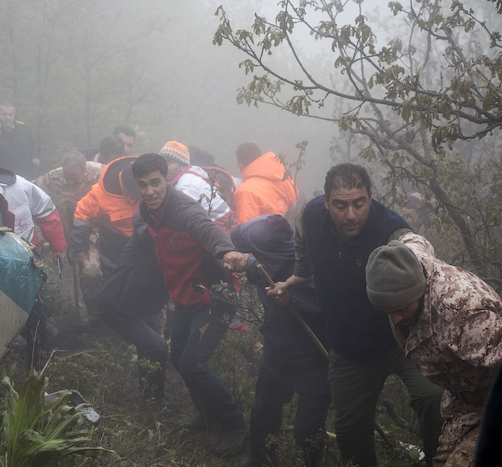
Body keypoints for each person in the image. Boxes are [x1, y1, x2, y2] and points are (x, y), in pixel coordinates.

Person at [269, 163, 444, 467]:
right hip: (349, 350)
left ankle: (440, 460)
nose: (351, 215)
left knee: (433, 398)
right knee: (350, 436)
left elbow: (420, 260)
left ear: (371, 198)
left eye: (359, 203)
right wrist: (299, 276)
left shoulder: (391, 230)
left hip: (403, 341)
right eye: (340, 205)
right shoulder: (311, 215)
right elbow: (301, 239)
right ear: (325, 201)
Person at [131, 153, 248, 456]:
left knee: (194, 363)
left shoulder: (181, 209)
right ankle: (206, 415)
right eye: (142, 185)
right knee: (179, 358)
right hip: (186, 298)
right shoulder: (148, 212)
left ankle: (234, 424)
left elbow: (207, 229)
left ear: (166, 180)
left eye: (155, 183)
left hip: (214, 298)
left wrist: (227, 250)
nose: (150, 191)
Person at [366, 234, 502, 467]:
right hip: (462, 406)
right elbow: (413, 239)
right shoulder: (409, 261)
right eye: (387, 311)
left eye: (401, 309)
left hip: (493, 403)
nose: (396, 319)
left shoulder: (465, 315)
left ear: (419, 291)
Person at [231, 215, 330, 467]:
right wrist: (247, 261)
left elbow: (326, 306)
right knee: (264, 408)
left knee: (308, 429)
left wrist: (293, 299)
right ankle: (260, 458)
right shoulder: (263, 260)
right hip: (277, 351)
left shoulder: (308, 267)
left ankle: (314, 462)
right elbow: (243, 245)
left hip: (314, 359)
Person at [0, 167, 67, 356]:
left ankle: (39, 343)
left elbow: (46, 212)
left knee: (31, 302)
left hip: (27, 259)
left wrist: (58, 246)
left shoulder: (20, 189)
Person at [98, 212, 170, 405]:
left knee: (149, 345)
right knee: (158, 346)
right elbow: (142, 231)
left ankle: (151, 392)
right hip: (116, 305)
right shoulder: (144, 237)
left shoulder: (171, 244)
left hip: (139, 304)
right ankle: (153, 401)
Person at [36, 151, 104, 321]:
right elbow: (31, 190)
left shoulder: (100, 172)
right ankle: (94, 313)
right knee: (90, 273)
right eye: (68, 177)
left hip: (104, 228)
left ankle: (113, 310)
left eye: (75, 178)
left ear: (85, 168)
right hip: (76, 231)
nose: (71, 182)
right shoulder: (55, 176)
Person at [71, 156, 139, 280]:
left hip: (142, 246)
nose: (130, 197)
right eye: (127, 191)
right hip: (111, 245)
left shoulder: (152, 184)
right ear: (121, 182)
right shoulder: (103, 192)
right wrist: (80, 247)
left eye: (135, 194)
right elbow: (82, 213)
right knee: (96, 275)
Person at [159, 141, 235, 232]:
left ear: (183, 166)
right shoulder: (187, 177)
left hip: (225, 232)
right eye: (162, 162)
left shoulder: (187, 182)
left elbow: (183, 217)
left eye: (169, 162)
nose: (164, 167)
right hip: (219, 228)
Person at [233, 142, 298, 223]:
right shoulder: (282, 175)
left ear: (241, 166)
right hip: (294, 231)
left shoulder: (246, 191)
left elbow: (246, 231)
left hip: (274, 234)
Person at [0, 102, 40, 180]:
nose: (7, 117)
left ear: (14, 116)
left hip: (28, 176)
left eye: (10, 114)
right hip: (8, 179)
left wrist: (34, 157)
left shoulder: (22, 128)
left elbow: (31, 145)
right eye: (4, 114)